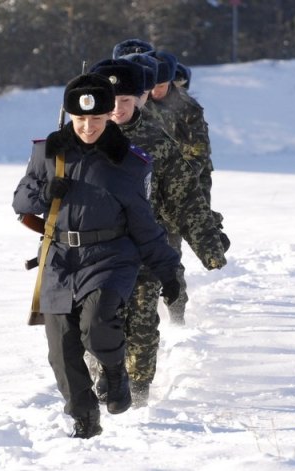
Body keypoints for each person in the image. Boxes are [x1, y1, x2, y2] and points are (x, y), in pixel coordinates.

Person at [12, 73, 180, 439]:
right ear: (70, 117)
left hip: (110, 256)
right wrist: (45, 188)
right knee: (62, 351)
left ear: (108, 118)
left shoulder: (130, 163)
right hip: (58, 259)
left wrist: (168, 270)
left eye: (97, 119)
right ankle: (85, 419)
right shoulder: (46, 152)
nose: (88, 127)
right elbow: (20, 202)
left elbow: (143, 222)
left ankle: (115, 372)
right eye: (81, 119)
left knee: (98, 324)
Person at [89, 58, 227, 406]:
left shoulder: (157, 142)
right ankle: (104, 377)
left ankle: (137, 396)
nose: (116, 108)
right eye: (110, 99)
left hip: (143, 250)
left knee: (142, 326)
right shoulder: (82, 137)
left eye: (125, 100)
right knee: (96, 322)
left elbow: (185, 198)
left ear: (141, 99)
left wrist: (208, 244)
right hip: (94, 253)